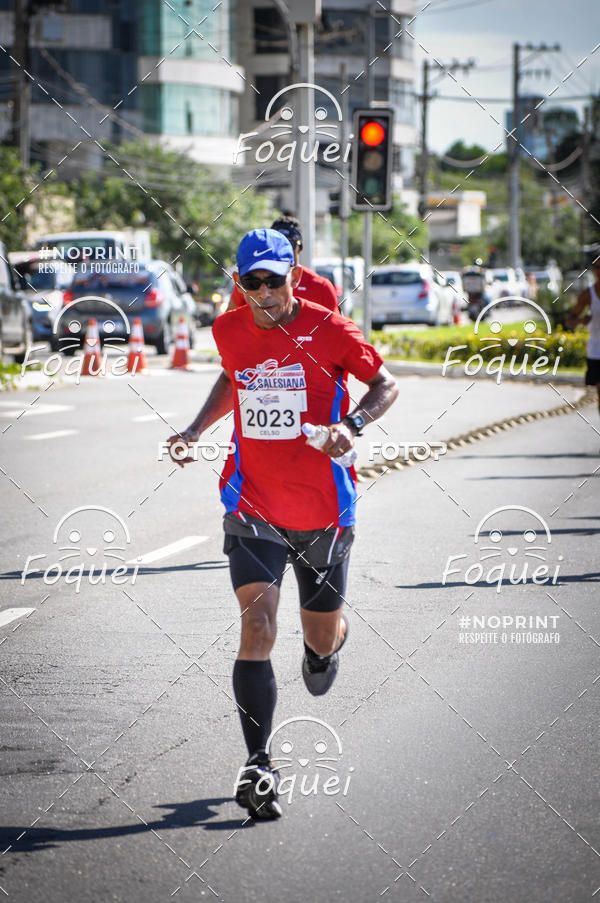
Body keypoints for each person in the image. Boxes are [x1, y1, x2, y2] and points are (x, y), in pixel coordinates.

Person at [166, 228, 398, 820]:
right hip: (254, 505)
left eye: (275, 279)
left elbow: (384, 384)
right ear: (239, 284)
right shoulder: (228, 329)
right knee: (259, 628)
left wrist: (354, 425)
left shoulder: (331, 328)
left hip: (324, 507)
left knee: (317, 643)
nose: (265, 292)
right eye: (253, 282)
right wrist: (196, 430)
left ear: (295, 275)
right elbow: (233, 377)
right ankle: (259, 764)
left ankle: (329, 646)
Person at [227, 214, 339, 314]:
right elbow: (230, 323)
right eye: (277, 247)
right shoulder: (250, 282)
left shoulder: (321, 286)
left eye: (289, 244)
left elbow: (335, 330)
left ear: (299, 248)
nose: (284, 251)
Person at [567, 257, 600, 415]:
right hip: (596, 351)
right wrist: (582, 320)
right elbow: (570, 321)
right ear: (593, 270)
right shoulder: (588, 295)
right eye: (597, 267)